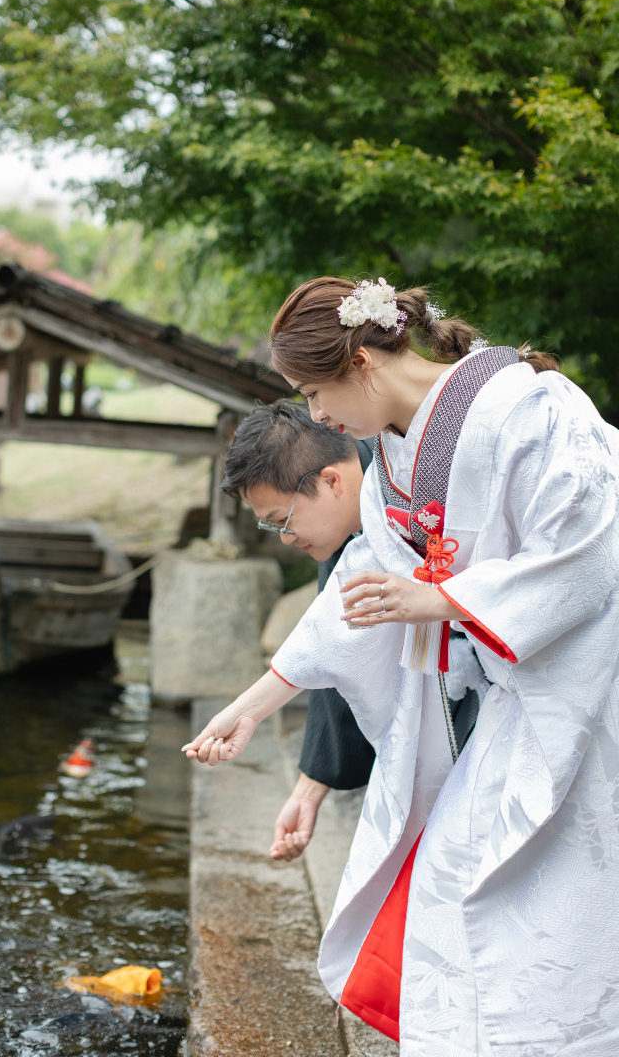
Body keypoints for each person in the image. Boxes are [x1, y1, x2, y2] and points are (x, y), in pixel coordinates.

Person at [183, 276, 619, 1056]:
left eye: (315, 392)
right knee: (459, 874)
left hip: (591, 687)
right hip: (523, 696)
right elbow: (356, 600)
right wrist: (251, 705)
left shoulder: (535, 409)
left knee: (558, 902)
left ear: (360, 361)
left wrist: (443, 599)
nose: (318, 417)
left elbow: (587, 555)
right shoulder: (389, 464)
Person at [220, 399, 377, 861]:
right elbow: (339, 649)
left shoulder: (415, 481)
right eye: (272, 526)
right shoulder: (342, 520)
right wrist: (308, 791)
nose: (286, 539)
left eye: (283, 521)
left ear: (331, 481)